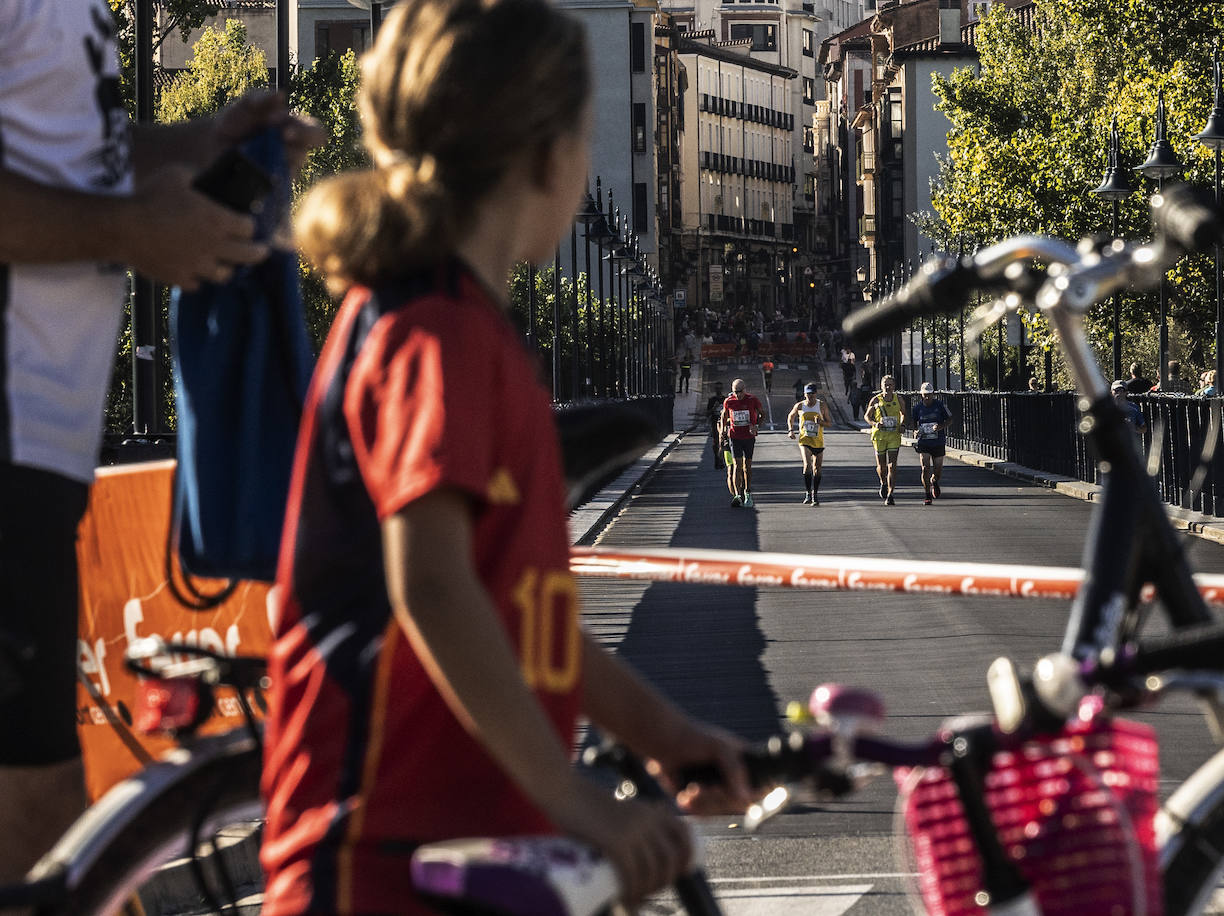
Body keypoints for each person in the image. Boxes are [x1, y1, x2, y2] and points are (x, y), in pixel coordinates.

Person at [265, 3, 756, 913]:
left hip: (467, 846)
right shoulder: (434, 331)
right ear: (547, 155)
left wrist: (666, 732)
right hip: (386, 854)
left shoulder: (459, 327)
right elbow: (436, 588)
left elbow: (523, 623)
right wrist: (572, 796)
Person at [0, 0, 326, 885]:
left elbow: (74, 155)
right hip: (12, 454)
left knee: (44, 824)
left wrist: (201, 145)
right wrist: (127, 232)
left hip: (41, 457)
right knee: (38, 822)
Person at [786, 382, 833, 506]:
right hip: (805, 440)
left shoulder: (821, 406)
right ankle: (808, 492)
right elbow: (790, 417)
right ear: (804, 394)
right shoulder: (800, 406)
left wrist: (821, 422)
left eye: (812, 394)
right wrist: (791, 430)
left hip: (818, 441)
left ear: (816, 394)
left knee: (817, 469)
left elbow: (829, 423)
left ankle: (815, 494)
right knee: (807, 465)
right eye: (808, 394)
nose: (810, 397)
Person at [721, 377, 763, 507]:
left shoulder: (752, 399)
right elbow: (724, 415)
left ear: (745, 389)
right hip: (735, 437)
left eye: (740, 391)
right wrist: (723, 430)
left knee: (747, 467)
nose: (738, 394)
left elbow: (762, 414)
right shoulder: (729, 401)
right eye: (735, 391)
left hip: (749, 437)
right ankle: (737, 495)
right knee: (737, 466)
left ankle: (748, 492)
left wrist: (756, 425)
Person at [910, 382, 953, 505]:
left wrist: (940, 426)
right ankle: (927, 494)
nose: (927, 397)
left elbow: (950, 419)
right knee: (925, 467)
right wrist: (915, 431)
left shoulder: (940, 406)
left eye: (929, 395)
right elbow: (913, 422)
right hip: (924, 441)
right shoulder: (917, 408)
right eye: (925, 395)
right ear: (921, 395)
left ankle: (934, 481)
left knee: (938, 470)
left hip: (938, 441)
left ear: (933, 394)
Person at [865, 375, 905, 505]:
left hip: (893, 435)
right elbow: (867, 416)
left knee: (892, 466)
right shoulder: (876, 400)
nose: (888, 387)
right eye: (885, 385)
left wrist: (902, 425)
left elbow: (903, 413)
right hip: (879, 436)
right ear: (881, 386)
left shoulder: (898, 399)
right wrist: (875, 424)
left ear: (894, 386)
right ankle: (883, 482)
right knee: (882, 467)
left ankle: (890, 493)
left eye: (890, 385)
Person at [705, 380, 728, 469]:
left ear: (722, 389)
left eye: (720, 388)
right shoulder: (712, 400)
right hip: (715, 423)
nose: (718, 390)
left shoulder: (725, 400)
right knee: (716, 443)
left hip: (725, 423)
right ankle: (717, 460)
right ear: (715, 389)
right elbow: (707, 413)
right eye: (717, 388)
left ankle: (722, 460)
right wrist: (714, 408)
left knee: (724, 443)